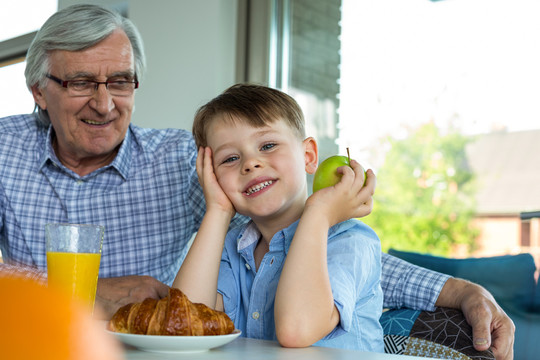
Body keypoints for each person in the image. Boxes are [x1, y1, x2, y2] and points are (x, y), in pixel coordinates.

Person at [0, 4, 513, 358]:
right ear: (39, 91)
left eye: (119, 81)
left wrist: (459, 289)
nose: (106, 102)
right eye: (82, 82)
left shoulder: (186, 160)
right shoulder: (4, 150)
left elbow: (342, 255)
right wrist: (76, 295)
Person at [173, 84, 383, 351]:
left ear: (308, 156)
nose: (250, 163)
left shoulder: (350, 241)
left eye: (268, 145)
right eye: (230, 159)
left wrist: (318, 214)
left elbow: (296, 330)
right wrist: (218, 210)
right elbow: (183, 326)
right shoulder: (231, 247)